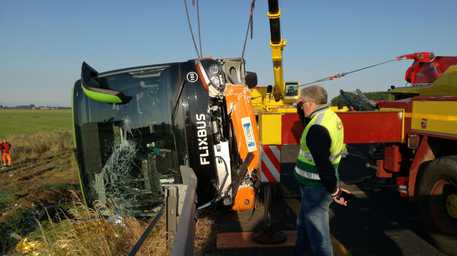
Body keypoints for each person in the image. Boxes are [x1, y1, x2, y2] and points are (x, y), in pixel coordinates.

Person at [294, 85, 352, 256]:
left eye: (303, 103)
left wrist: (335, 191)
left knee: (318, 235)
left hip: (316, 186)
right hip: (316, 184)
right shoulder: (329, 117)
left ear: (311, 104)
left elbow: (323, 165)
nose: (301, 106)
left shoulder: (316, 129)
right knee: (304, 223)